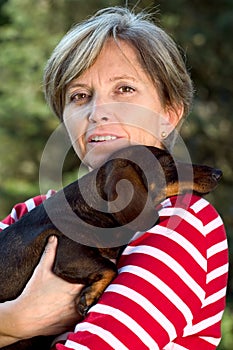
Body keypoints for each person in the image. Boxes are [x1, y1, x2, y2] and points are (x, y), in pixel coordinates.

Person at [0, 6, 228, 350]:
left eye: (124, 89)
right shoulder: (29, 213)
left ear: (169, 114)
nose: (97, 112)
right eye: (80, 96)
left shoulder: (180, 221)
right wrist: (16, 320)